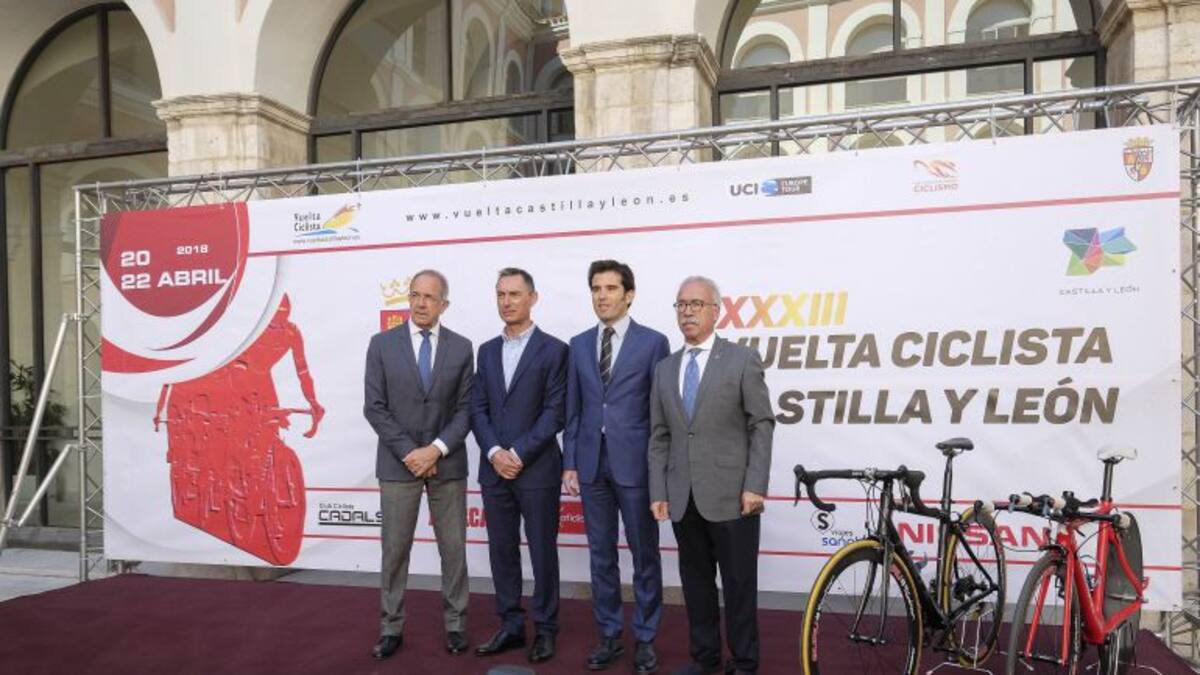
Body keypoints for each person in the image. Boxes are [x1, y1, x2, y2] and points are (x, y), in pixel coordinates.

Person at [648, 275, 774, 675]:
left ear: (716, 312)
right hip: (683, 498)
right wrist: (659, 490)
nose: (687, 311)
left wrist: (755, 484)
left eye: (696, 304)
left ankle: (744, 663)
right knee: (697, 587)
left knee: (739, 588)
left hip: (734, 496)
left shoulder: (741, 359)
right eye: (681, 304)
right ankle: (704, 660)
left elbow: (762, 423)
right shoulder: (664, 369)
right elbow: (660, 435)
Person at [563, 260, 670, 674]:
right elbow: (574, 409)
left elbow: (659, 413)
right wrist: (570, 462)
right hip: (591, 466)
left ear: (629, 294)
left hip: (637, 465)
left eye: (610, 288)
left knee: (645, 554)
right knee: (600, 555)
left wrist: (659, 469)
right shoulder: (578, 344)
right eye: (596, 288)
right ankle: (609, 634)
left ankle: (645, 637)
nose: (602, 295)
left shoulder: (653, 342)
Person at [362, 269, 474, 660]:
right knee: (394, 550)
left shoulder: (462, 348)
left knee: (454, 549)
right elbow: (374, 407)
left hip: (447, 463)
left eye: (429, 297)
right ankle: (391, 627)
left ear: (444, 304)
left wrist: (436, 450)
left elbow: (466, 409)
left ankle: (457, 625)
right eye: (415, 295)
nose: (420, 303)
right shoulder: (381, 345)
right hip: (398, 464)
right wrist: (412, 452)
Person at [470, 268, 568, 664]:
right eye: (500, 294)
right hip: (495, 469)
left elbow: (556, 410)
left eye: (514, 294)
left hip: (538, 468)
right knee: (502, 550)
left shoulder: (555, 350)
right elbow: (477, 407)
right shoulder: (486, 350)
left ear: (533, 298)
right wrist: (495, 452)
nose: (507, 301)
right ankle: (511, 625)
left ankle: (545, 629)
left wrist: (519, 452)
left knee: (543, 550)